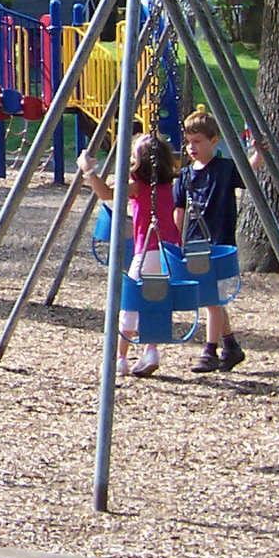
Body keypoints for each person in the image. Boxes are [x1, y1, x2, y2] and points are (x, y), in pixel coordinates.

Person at [78, 132, 182, 377]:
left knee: (131, 303)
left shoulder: (138, 186)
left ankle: (121, 358)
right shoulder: (169, 185)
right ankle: (151, 351)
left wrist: (88, 171)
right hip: (170, 254)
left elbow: (105, 194)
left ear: (140, 162)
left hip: (146, 253)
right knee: (156, 302)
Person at [175, 109, 263, 374]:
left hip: (219, 243)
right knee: (212, 298)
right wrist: (178, 242)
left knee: (212, 300)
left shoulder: (223, 169)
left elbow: (247, 171)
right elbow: (178, 209)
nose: (192, 147)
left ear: (214, 141)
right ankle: (231, 345)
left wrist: (259, 153)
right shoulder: (186, 175)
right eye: (189, 142)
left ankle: (210, 350)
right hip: (195, 244)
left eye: (198, 141)